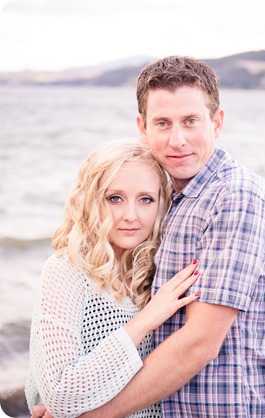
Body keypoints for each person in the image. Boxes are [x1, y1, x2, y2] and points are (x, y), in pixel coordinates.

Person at [32, 56, 265, 418]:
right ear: (142, 128)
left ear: (217, 122)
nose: (177, 140)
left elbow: (200, 343)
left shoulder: (235, 197)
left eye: (190, 121)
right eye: (162, 123)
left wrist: (86, 416)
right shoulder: (172, 201)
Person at [25, 139, 201, 418]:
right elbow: (59, 394)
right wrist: (145, 320)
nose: (130, 215)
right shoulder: (66, 271)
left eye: (146, 199)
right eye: (114, 198)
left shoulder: (159, 274)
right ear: (91, 199)